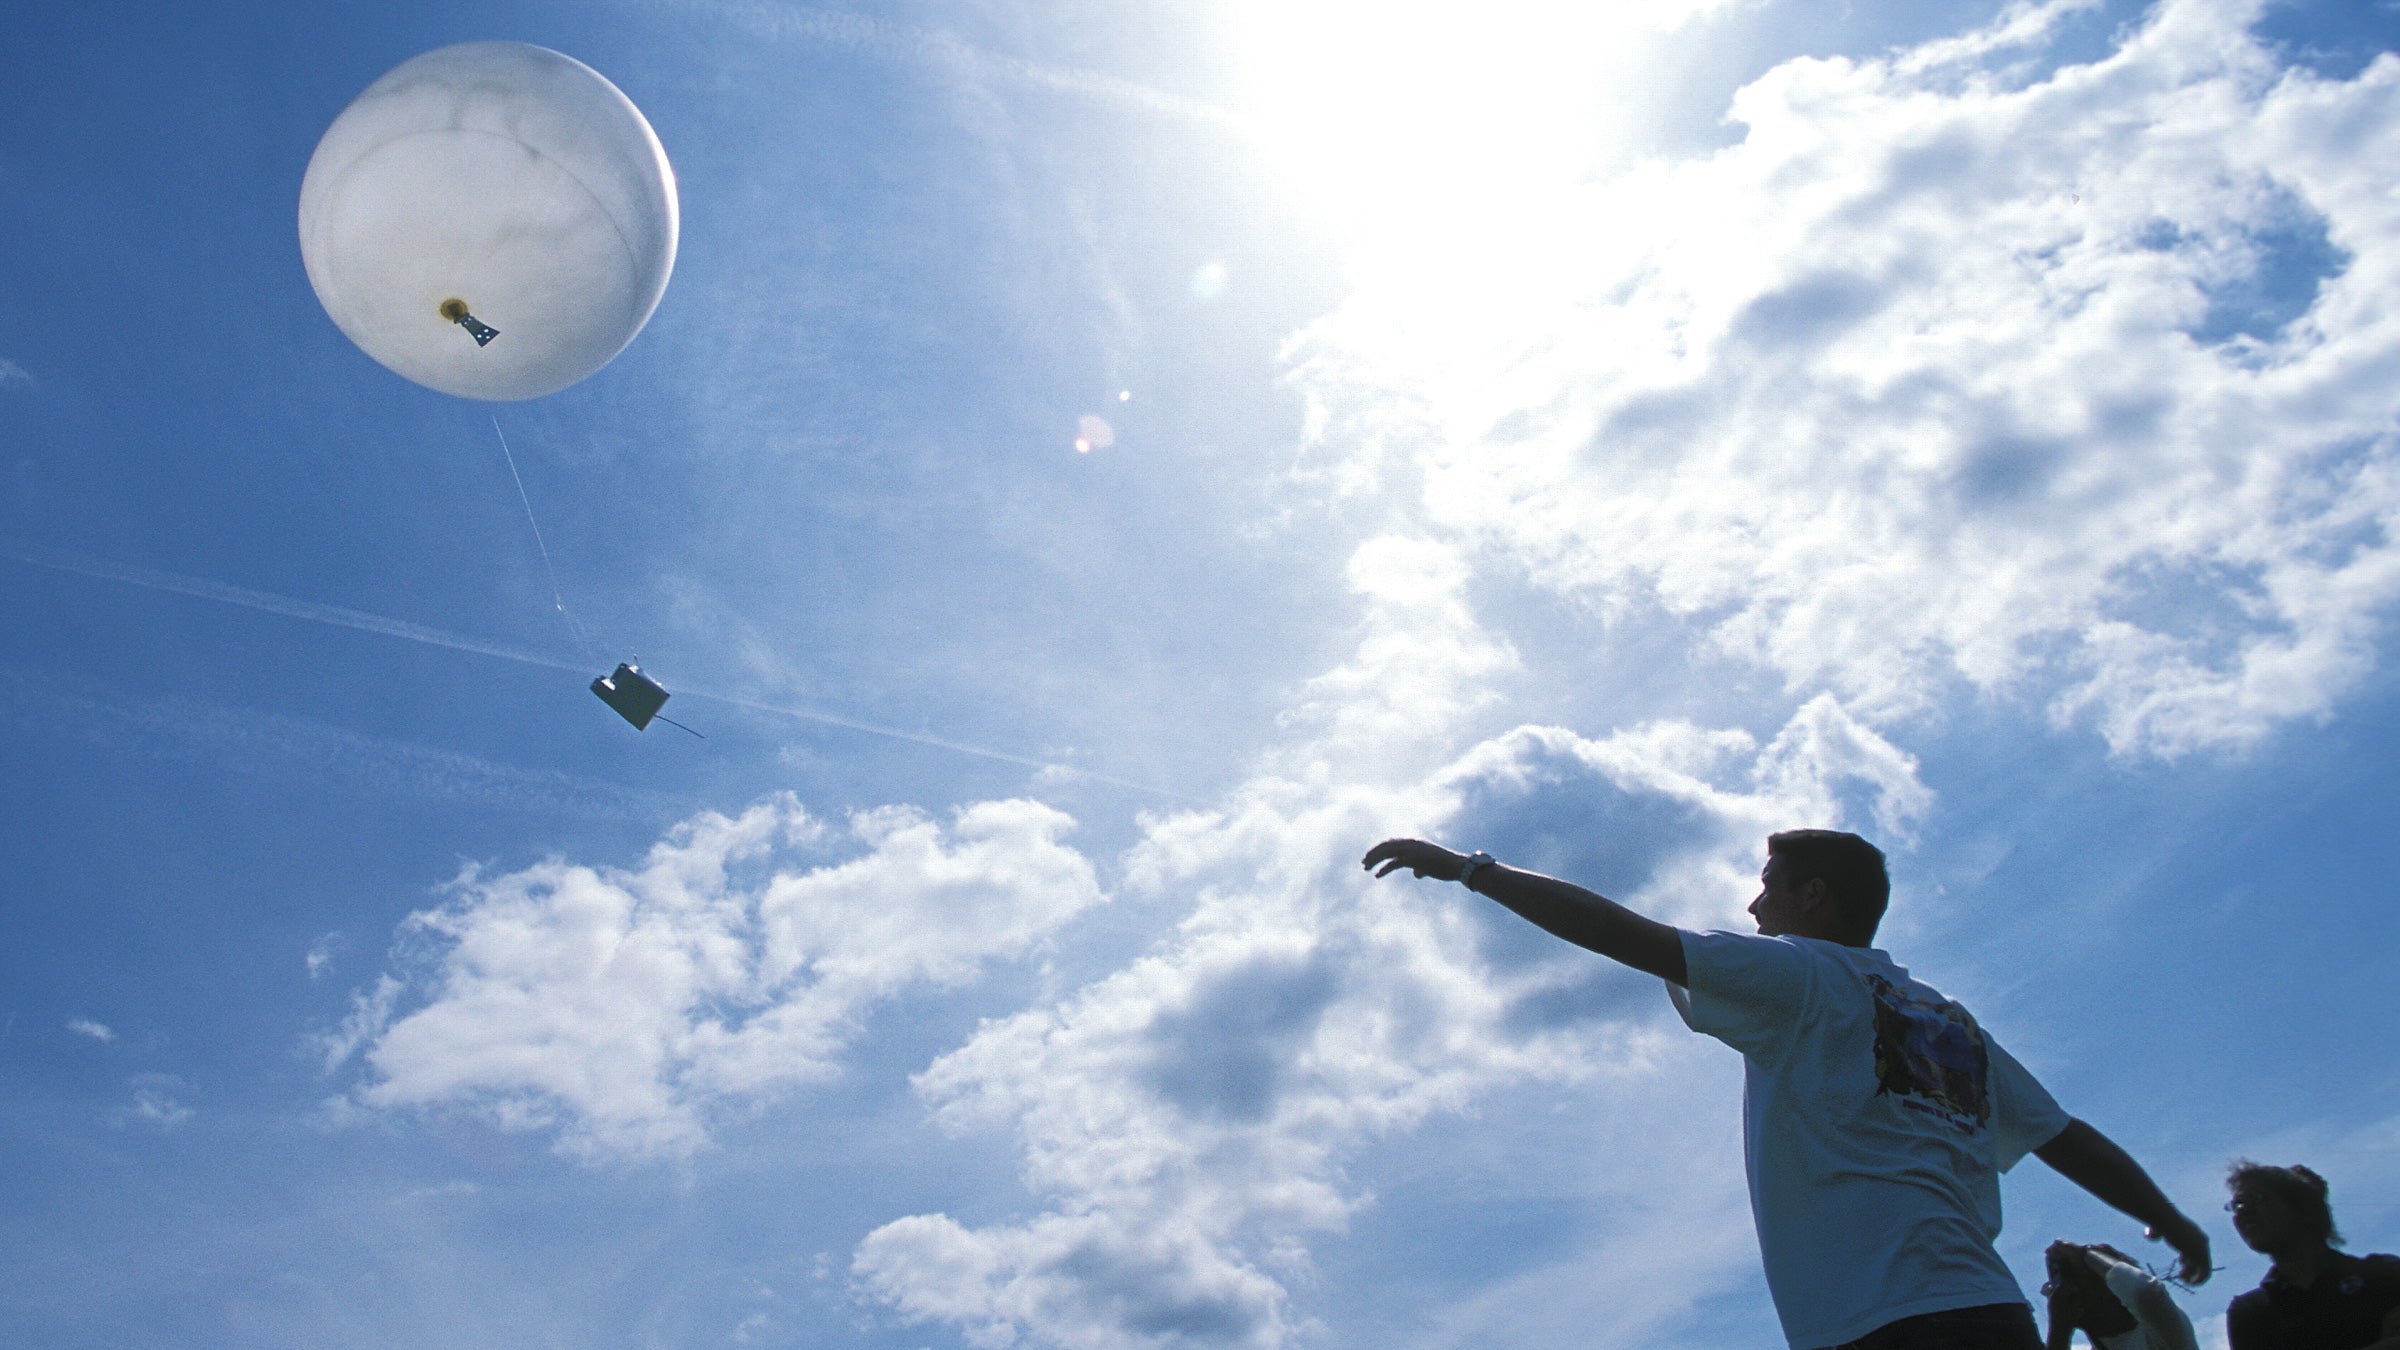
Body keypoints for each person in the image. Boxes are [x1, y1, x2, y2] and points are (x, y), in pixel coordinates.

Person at [1361, 829, 2212, 1350]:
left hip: (1880, 1324)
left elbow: (1627, 935)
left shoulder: (1801, 978)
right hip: (1987, 1310)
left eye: (1768, 884)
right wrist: (2168, 1217)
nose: (1754, 902)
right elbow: (2065, 1136)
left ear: (1813, 895)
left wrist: (1473, 871)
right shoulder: (1948, 1021)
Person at [2224, 1161, 2400, 1349]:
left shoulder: (2384, 1275)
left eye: (2257, 1197)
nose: (2244, 1211)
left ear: (2304, 1209)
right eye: (2237, 1205)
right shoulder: (2251, 1312)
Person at [2042, 1239, 2199, 1350]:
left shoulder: (2157, 1333)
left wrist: (2087, 1253)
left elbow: (2144, 1290)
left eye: (2083, 1277)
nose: (2067, 1289)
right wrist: (2059, 1330)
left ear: (2113, 1288)